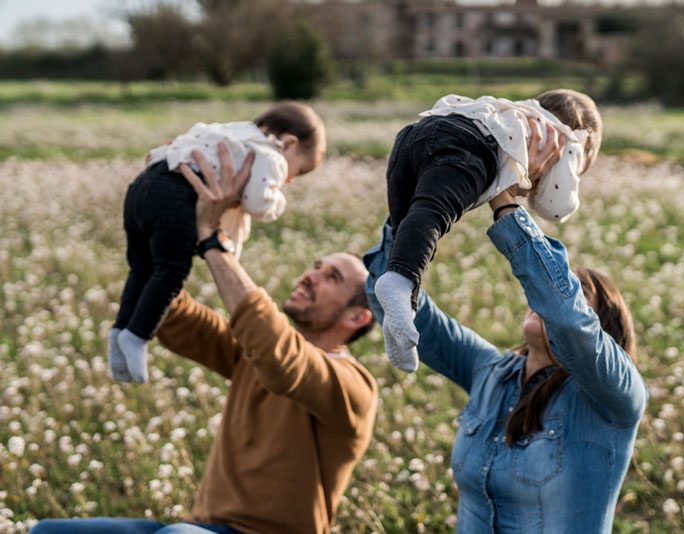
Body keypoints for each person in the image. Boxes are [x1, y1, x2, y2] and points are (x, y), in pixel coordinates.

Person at [33, 146, 377, 534]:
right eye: (316, 266)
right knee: (48, 531)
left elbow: (283, 360)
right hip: (202, 527)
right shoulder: (254, 351)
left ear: (357, 317)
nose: (309, 276)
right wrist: (165, 204)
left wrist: (214, 243)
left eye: (332, 277)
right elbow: (176, 319)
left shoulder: (353, 387)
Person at [364, 140, 647, 532]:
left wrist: (506, 203)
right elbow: (400, 310)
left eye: (573, 294)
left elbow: (568, 322)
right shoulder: (490, 371)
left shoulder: (614, 398)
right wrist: (416, 200)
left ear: (602, 326)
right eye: (547, 289)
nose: (542, 299)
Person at [373, 90, 602, 373]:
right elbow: (556, 206)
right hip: (470, 146)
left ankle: (402, 309)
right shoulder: (562, 140)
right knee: (434, 213)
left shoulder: (506, 112)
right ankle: (398, 284)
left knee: (409, 229)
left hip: (414, 135)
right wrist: (528, 183)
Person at [110, 101, 326, 383]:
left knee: (141, 270)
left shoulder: (229, 132)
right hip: (175, 196)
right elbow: (257, 201)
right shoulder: (270, 155)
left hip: (143, 186)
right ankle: (137, 335)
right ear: (288, 143)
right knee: (170, 272)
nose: (289, 180)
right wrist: (278, 202)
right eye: (297, 172)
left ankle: (119, 333)